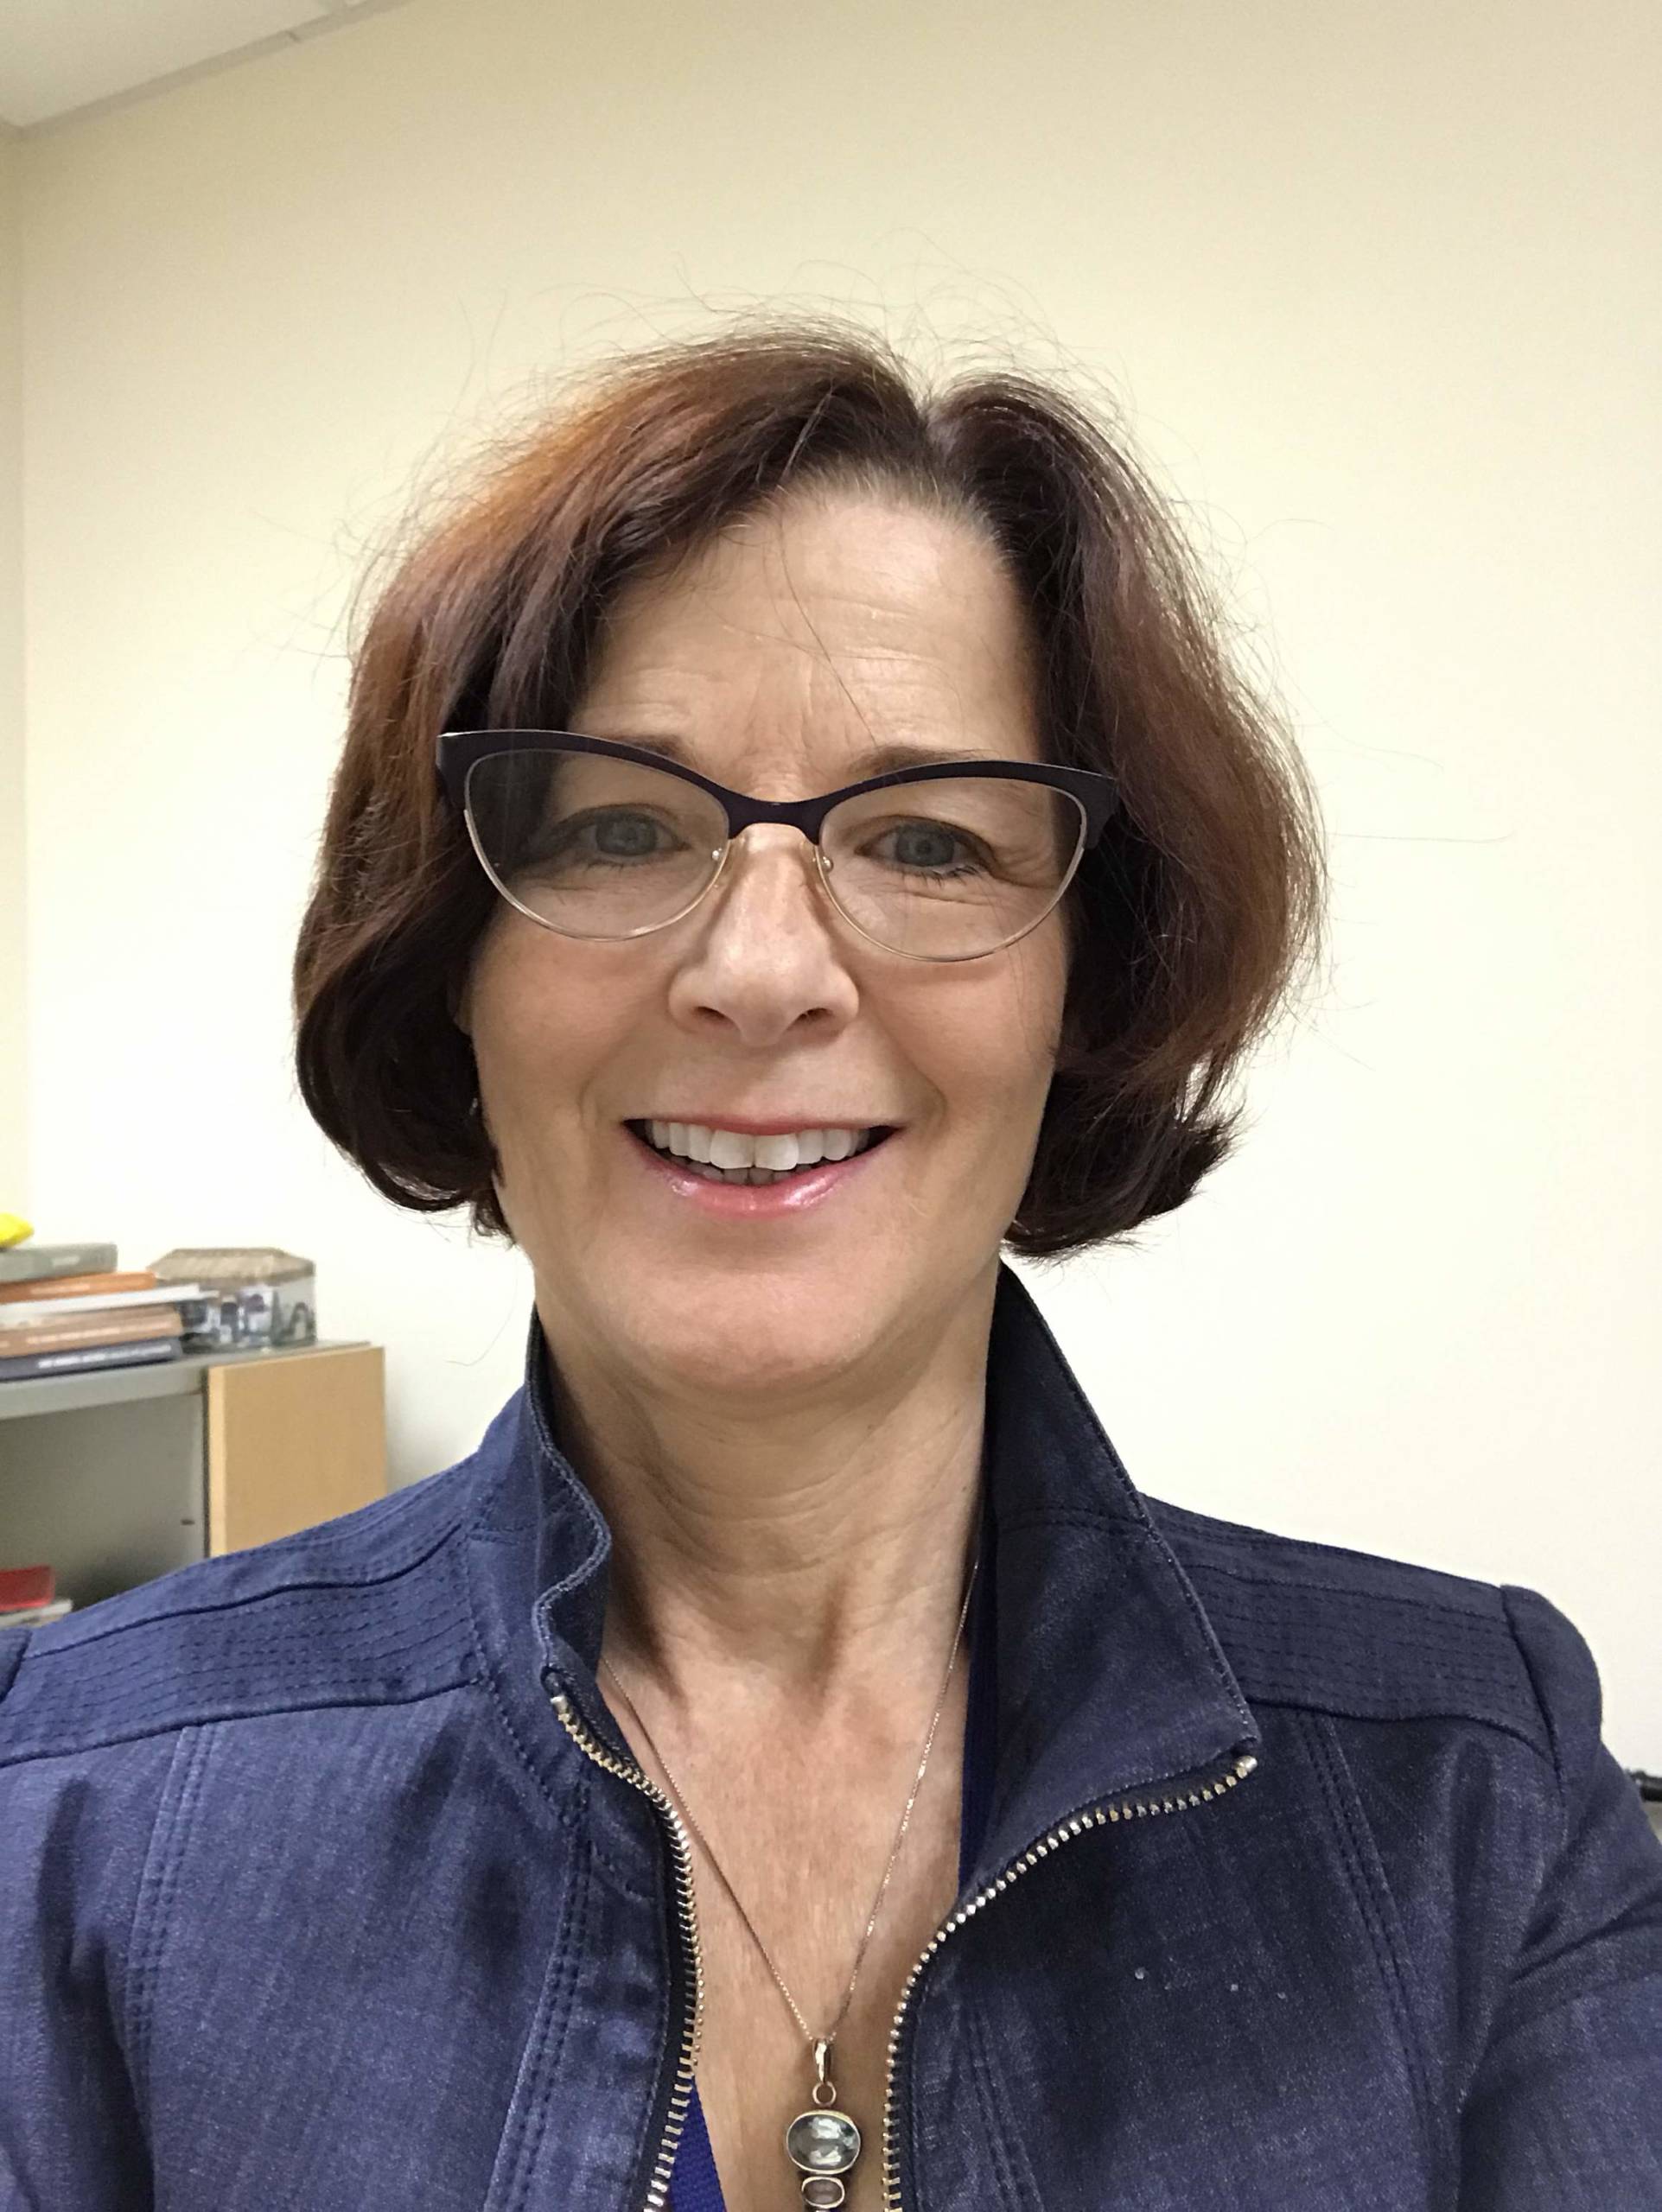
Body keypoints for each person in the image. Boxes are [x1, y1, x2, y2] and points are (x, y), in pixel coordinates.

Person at [3, 321, 1659, 2212]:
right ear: (455, 964)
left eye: (928, 841)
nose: (763, 970)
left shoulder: (1475, 1792)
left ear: (1085, 985)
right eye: (619, 825)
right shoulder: (71, 1805)